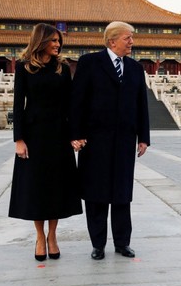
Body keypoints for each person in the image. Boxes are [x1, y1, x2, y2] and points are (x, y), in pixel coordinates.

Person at [69, 21, 150, 260]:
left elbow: (141, 105)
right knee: (96, 195)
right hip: (95, 141)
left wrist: (143, 137)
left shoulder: (135, 68)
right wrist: (76, 133)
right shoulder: (89, 63)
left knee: (122, 194)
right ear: (112, 40)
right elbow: (77, 101)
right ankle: (98, 245)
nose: (132, 43)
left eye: (132, 38)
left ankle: (122, 243)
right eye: (128, 38)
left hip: (125, 140)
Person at [9, 23, 83, 261]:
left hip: (59, 135)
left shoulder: (62, 67)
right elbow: (18, 105)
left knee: (56, 187)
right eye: (53, 40)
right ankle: (40, 237)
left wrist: (75, 134)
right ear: (40, 41)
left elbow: (71, 103)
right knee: (36, 188)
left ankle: (53, 236)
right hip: (34, 135)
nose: (57, 45)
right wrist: (19, 139)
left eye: (59, 41)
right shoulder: (24, 68)